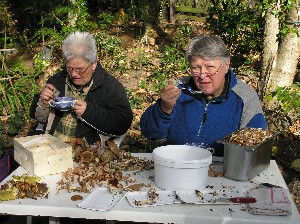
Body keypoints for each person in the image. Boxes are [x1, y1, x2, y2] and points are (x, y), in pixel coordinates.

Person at [140, 34, 267, 156]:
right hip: (177, 164)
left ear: (226, 66)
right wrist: (165, 108)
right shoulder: (178, 90)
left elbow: (256, 145)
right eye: (196, 68)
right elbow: (150, 133)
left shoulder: (244, 97)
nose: (202, 75)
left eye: (209, 67)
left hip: (224, 169)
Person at [30, 31, 133, 145]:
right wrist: (43, 103)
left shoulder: (110, 87)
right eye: (69, 68)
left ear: (93, 64)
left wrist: (88, 111)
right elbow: (39, 119)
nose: (74, 74)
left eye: (80, 69)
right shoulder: (58, 80)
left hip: (84, 151)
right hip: (51, 144)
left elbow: (123, 123)